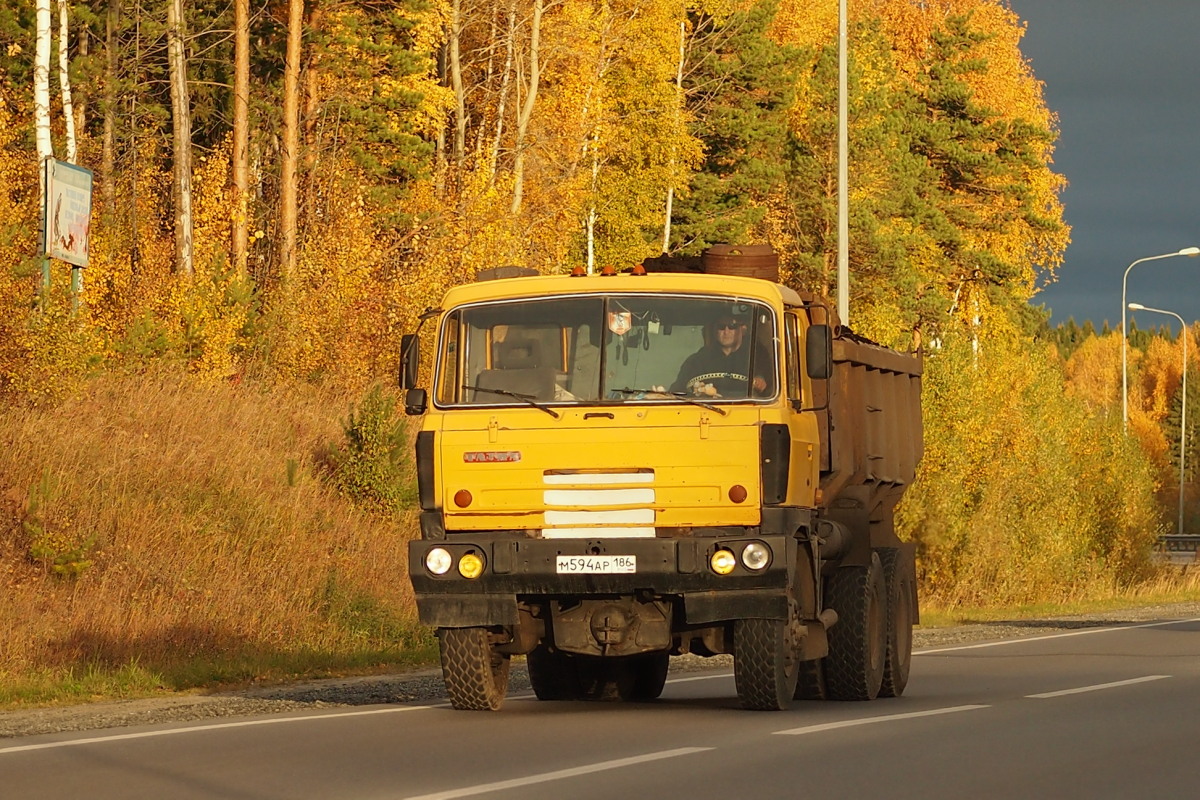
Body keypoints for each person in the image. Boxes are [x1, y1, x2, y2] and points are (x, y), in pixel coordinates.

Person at [670, 315, 771, 398]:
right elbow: (679, 389)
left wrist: (761, 380)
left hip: (748, 412)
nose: (726, 331)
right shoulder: (698, 360)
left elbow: (774, 390)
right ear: (715, 331)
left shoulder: (757, 355)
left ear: (743, 329)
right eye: (721, 326)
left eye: (732, 326)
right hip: (706, 412)